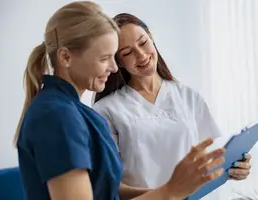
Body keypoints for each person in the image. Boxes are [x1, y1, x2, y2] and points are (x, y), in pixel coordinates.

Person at [14, 2, 226, 200]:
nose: (114, 68)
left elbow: (108, 190)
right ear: (66, 57)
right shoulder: (57, 115)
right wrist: (169, 192)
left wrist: (173, 189)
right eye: (105, 58)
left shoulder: (77, 113)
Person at [92, 13, 252, 198]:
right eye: (127, 53)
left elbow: (208, 162)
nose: (141, 55)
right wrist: (168, 194)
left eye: (143, 43)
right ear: (118, 61)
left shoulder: (189, 97)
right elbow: (108, 185)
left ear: (151, 37)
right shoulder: (106, 111)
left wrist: (235, 167)